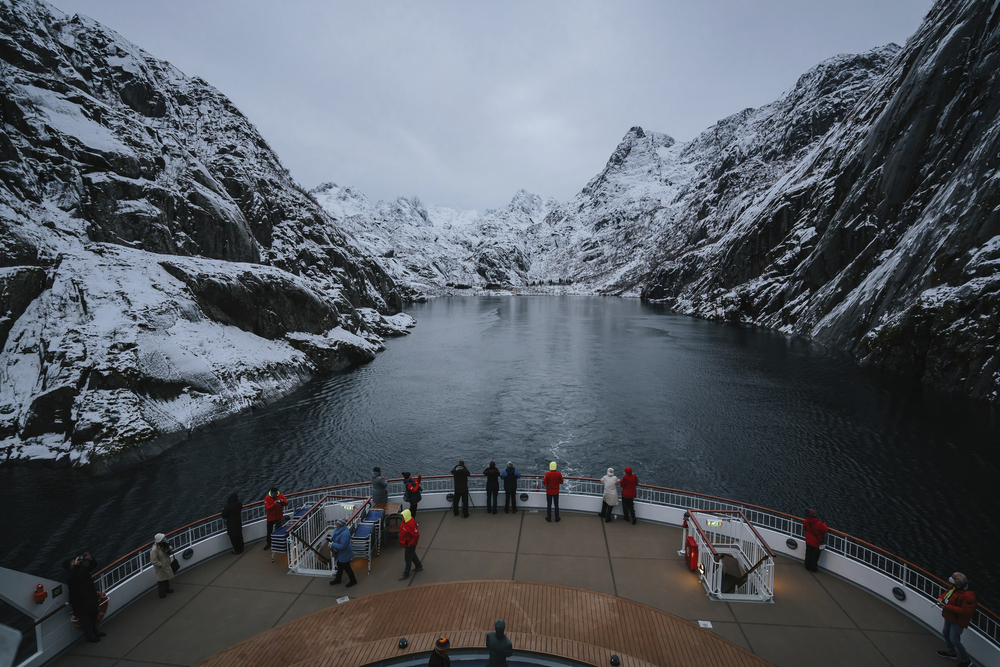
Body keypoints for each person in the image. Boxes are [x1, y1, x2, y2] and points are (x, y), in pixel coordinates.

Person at [936, 572, 977, 666]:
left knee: (954, 639)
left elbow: (966, 611)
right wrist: (941, 598)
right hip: (949, 616)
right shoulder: (955, 586)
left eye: (953, 578)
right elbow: (947, 592)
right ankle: (951, 652)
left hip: (958, 620)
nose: (951, 579)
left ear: (958, 582)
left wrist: (947, 607)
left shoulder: (969, 596)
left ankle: (966, 660)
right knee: (945, 633)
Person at [63, 552, 104, 643]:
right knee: (86, 621)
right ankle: (91, 637)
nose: (75, 562)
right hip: (81, 603)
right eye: (73, 562)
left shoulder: (81, 570)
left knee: (93, 616)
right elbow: (70, 579)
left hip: (90, 598)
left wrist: (90, 559)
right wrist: (75, 566)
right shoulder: (69, 576)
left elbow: (93, 566)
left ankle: (96, 632)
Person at [328, 518, 357, 588]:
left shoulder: (345, 534)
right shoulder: (338, 530)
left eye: (337, 524)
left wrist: (332, 544)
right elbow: (334, 536)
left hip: (345, 554)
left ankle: (353, 581)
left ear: (340, 525)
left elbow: (342, 546)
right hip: (340, 554)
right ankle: (338, 579)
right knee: (340, 566)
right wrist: (331, 539)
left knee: (347, 568)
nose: (336, 525)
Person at [398, 508, 423, 580]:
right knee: (412, 554)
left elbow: (416, 535)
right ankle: (418, 565)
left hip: (409, 544)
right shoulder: (405, 521)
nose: (401, 518)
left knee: (408, 558)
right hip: (407, 543)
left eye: (402, 516)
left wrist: (411, 544)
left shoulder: (411, 524)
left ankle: (406, 573)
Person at [149, 533, 175, 599]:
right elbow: (153, 560)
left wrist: (169, 549)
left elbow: (170, 548)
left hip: (165, 564)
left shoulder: (164, 545)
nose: (165, 539)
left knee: (166, 577)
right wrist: (161, 565)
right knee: (161, 580)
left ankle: (167, 588)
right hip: (161, 567)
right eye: (164, 538)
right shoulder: (154, 549)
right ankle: (161, 593)